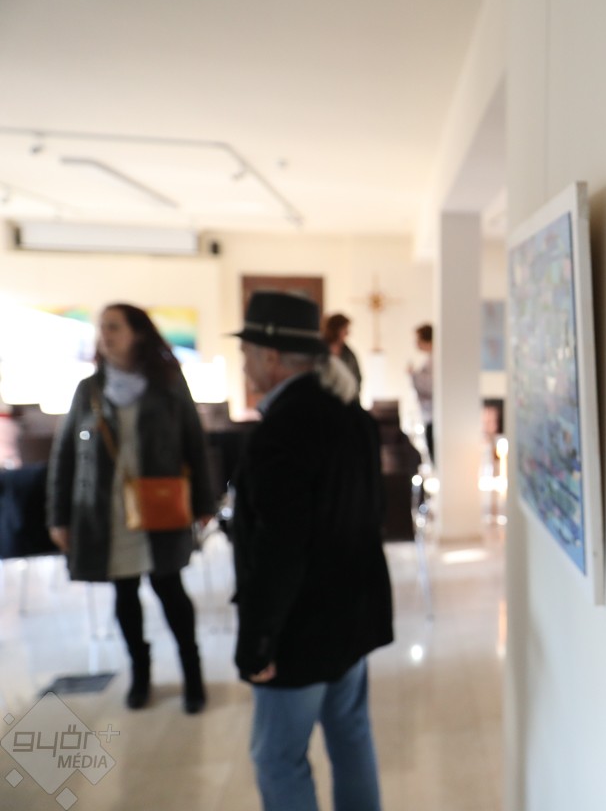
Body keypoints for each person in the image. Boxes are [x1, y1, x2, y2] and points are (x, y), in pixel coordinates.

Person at [231, 291, 393, 811]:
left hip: (299, 630)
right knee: (351, 735)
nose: (244, 363)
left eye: (246, 351)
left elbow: (278, 549)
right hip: (352, 616)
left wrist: (259, 641)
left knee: (278, 757)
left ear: (271, 356)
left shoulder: (281, 430)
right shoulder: (351, 414)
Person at [47, 303, 215, 713]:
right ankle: (141, 675)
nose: (105, 335)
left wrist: (204, 500)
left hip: (160, 505)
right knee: (124, 593)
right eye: (102, 328)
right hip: (107, 513)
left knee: (169, 589)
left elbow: (194, 441)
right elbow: (64, 456)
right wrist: (58, 517)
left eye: (114, 327)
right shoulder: (89, 390)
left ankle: (192, 675)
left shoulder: (168, 383)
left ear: (137, 333)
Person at [409, 322, 434, 462]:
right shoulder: (430, 359)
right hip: (428, 415)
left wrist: (414, 375)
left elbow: (431, 386)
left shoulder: (434, 360)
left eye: (417, 339)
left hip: (432, 415)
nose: (416, 343)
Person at [321, 312, 362, 395]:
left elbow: (357, 378)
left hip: (346, 397)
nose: (347, 333)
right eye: (344, 329)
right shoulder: (320, 351)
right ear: (336, 329)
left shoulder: (349, 354)